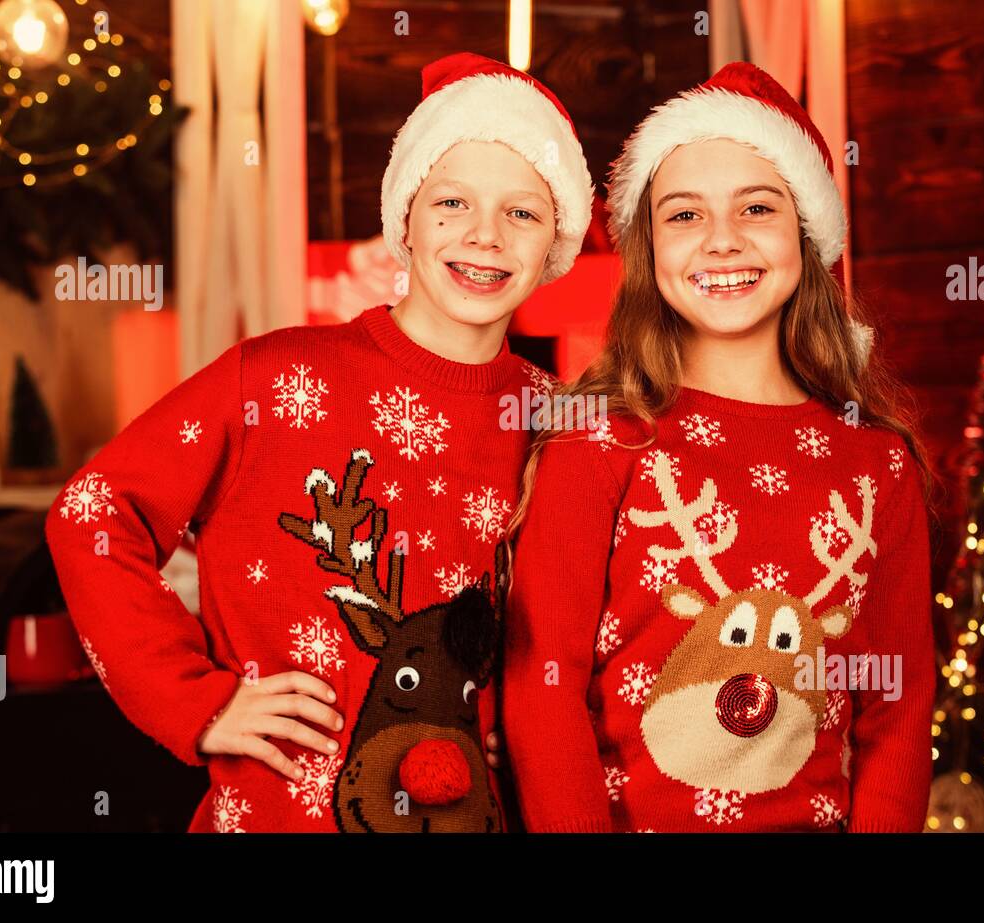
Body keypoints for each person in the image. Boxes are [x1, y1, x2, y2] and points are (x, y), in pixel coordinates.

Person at [46, 52, 593, 832]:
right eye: (451, 202)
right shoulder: (273, 380)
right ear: (404, 217)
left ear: (556, 244)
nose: (485, 235)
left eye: (523, 213)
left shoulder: (556, 423)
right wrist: (197, 698)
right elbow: (93, 512)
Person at [502, 62, 937, 832]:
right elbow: (543, 686)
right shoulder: (598, 439)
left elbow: (897, 707)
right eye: (684, 215)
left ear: (806, 233)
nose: (723, 240)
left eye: (757, 207)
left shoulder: (877, 461)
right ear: (648, 248)